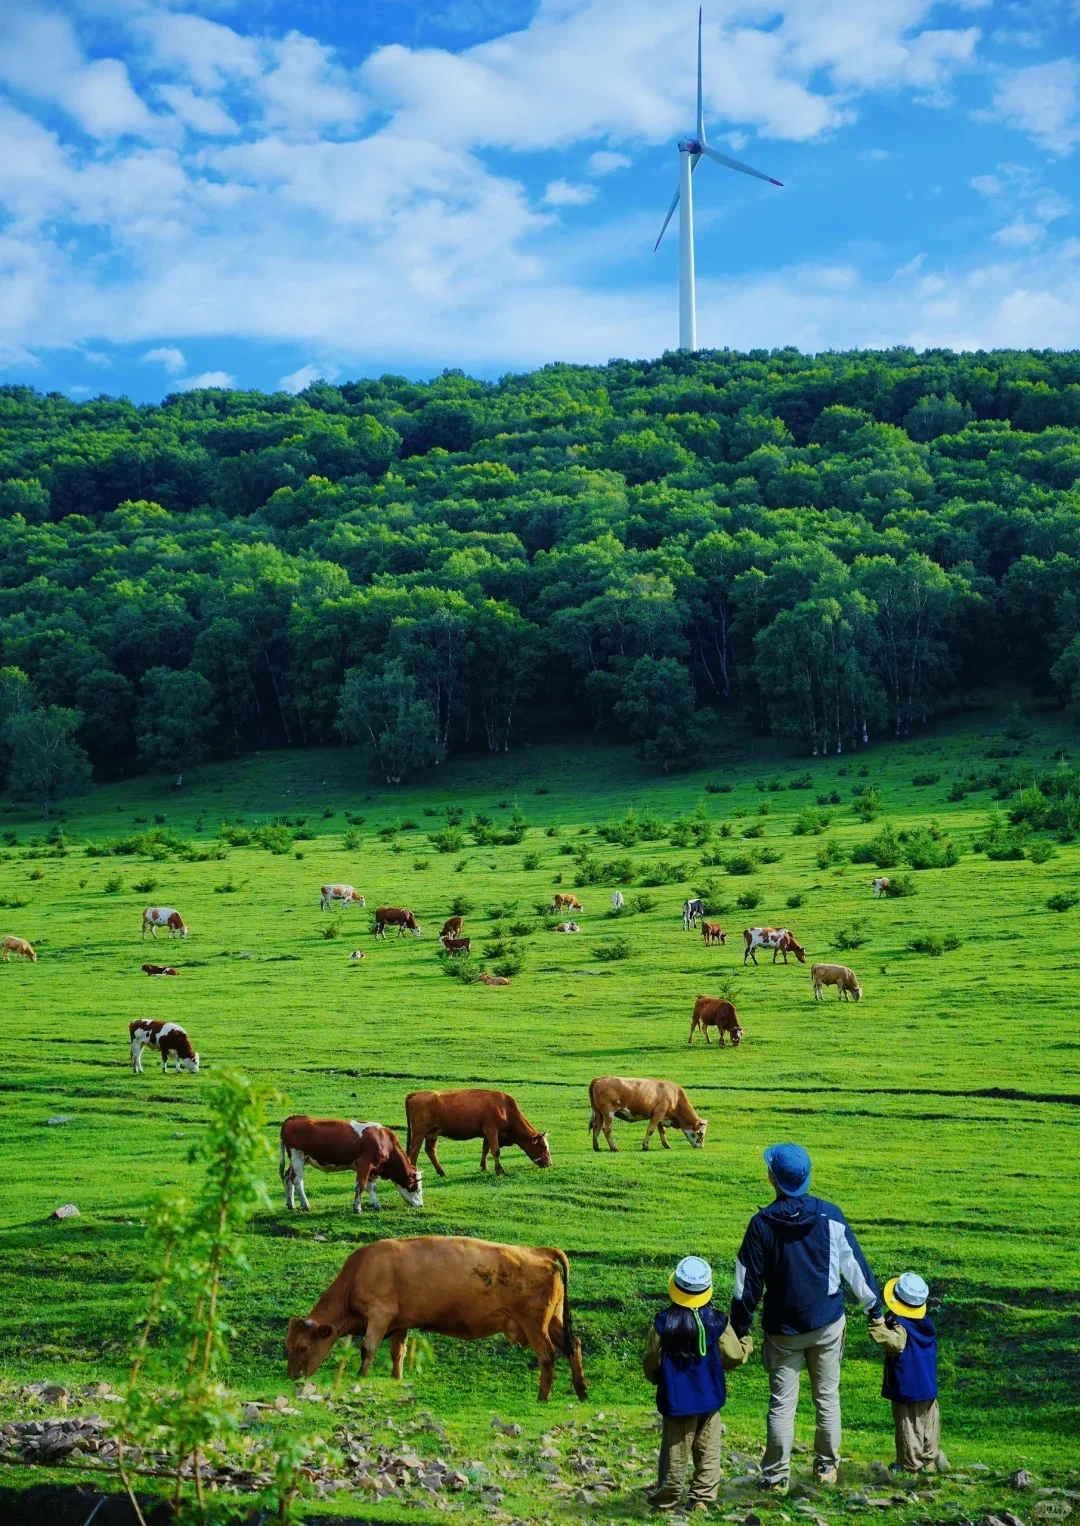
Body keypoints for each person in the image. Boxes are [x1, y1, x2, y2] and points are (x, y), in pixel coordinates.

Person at [729, 1143, 883, 1494]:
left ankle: (775, 1477)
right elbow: (855, 1268)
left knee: (782, 1403)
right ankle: (827, 1467)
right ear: (806, 1177)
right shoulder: (831, 1216)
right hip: (828, 1322)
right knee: (827, 1397)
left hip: (782, 1332)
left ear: (773, 1179)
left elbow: (745, 1286)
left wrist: (738, 1329)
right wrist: (874, 1308)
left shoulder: (760, 1226)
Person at [643, 1255, 753, 1512]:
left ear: (675, 1289)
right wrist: (746, 1344)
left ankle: (666, 1502)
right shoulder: (717, 1322)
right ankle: (701, 1498)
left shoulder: (662, 1325)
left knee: (674, 1454)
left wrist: (658, 1379)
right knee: (708, 1450)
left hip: (677, 1401)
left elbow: (651, 1361)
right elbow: (733, 1356)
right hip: (709, 1399)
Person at [869, 1271, 941, 1474]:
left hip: (908, 1386)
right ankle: (929, 1461)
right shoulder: (926, 1324)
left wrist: (877, 1327)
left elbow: (895, 1344)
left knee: (908, 1425)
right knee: (929, 1423)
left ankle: (909, 1465)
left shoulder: (901, 1325)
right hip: (927, 1385)